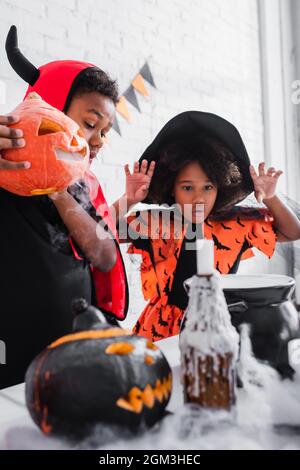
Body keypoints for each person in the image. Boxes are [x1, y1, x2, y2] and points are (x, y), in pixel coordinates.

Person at [0, 26, 128, 388]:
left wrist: (58, 189)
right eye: (90, 124)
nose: (99, 140)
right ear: (51, 109)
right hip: (12, 358)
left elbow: (104, 258)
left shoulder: (85, 186)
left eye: (105, 131)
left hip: (76, 349)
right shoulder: (3, 167)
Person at [113, 111, 300, 342]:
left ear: (220, 186)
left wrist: (271, 197)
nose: (198, 198)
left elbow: (293, 231)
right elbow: (101, 232)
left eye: (208, 187)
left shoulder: (237, 223)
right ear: (173, 188)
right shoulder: (155, 223)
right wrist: (129, 199)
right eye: (188, 188)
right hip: (162, 329)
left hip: (218, 324)